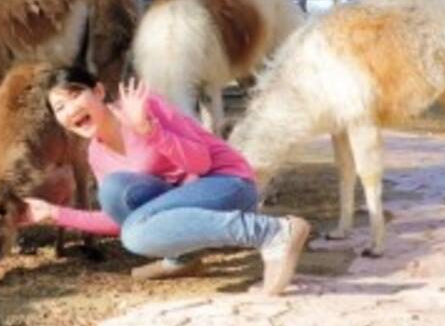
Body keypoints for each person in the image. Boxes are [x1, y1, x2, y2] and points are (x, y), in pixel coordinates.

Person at [20, 67, 311, 295]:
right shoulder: (97, 153)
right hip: (185, 200)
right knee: (115, 193)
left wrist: (148, 129)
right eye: (59, 107)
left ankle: (273, 232)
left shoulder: (144, 107)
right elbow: (118, 219)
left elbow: (202, 163)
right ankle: (182, 258)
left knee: (134, 234)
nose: (70, 110)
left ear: (98, 91)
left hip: (227, 184)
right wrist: (53, 213)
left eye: (75, 95)